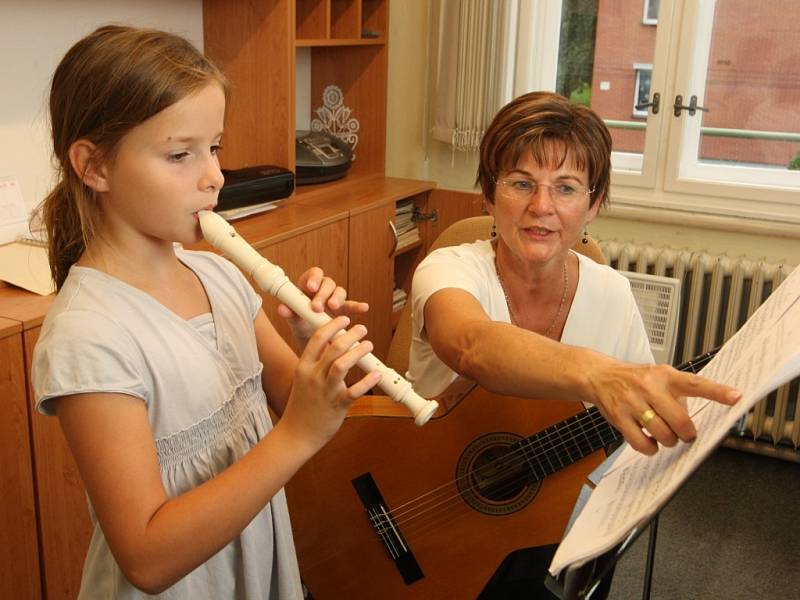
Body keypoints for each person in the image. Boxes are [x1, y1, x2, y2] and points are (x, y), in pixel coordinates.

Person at [31, 25, 381, 599]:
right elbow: (146, 557)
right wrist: (293, 436)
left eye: (213, 147)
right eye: (180, 154)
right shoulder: (87, 335)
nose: (214, 174)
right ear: (93, 166)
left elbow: (303, 407)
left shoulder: (219, 274)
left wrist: (313, 343)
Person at [405, 92, 741, 597]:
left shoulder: (611, 293)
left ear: (593, 204)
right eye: (521, 183)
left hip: (547, 519)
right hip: (419, 496)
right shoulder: (450, 268)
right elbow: (470, 344)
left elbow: (633, 438)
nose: (542, 207)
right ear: (488, 197)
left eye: (566, 188)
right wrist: (596, 374)